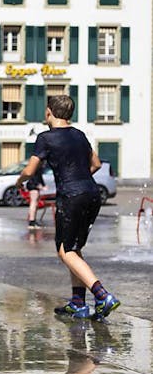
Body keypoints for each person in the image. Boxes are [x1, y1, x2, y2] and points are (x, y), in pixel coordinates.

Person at [16, 94, 120, 319]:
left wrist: (18, 181)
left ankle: (102, 295)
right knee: (74, 248)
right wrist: (82, 181)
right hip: (92, 194)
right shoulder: (80, 135)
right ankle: (78, 302)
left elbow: (29, 171)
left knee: (66, 251)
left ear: (49, 112)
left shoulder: (46, 138)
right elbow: (96, 164)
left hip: (71, 197)